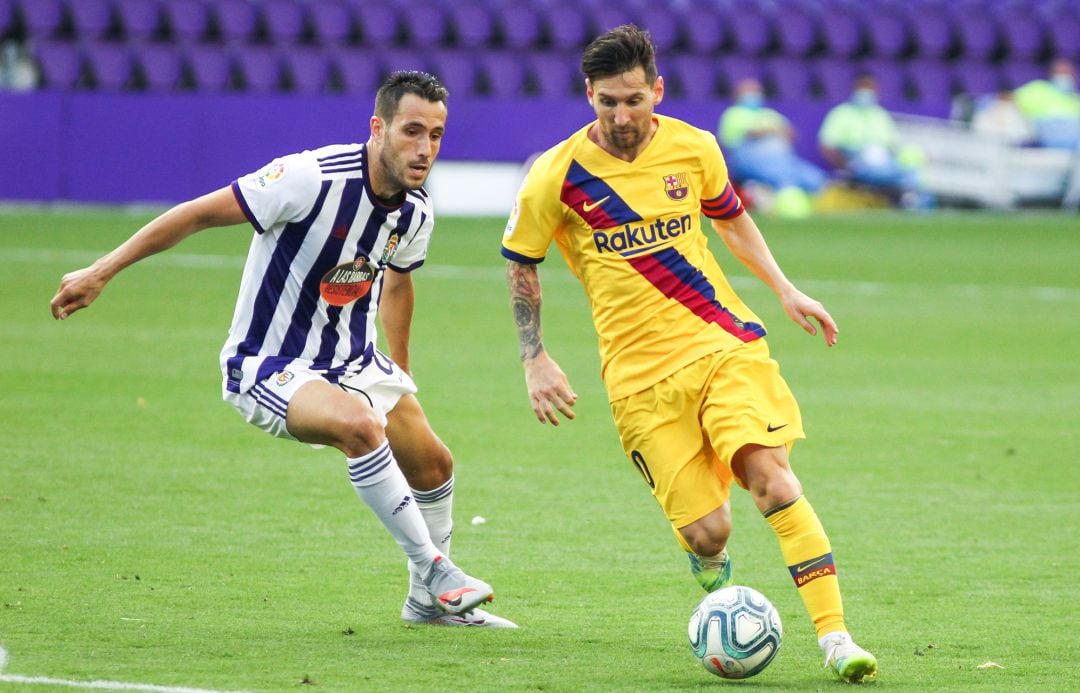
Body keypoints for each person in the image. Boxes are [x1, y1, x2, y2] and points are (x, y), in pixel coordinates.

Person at [50, 71, 515, 629]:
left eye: (436, 135)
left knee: (434, 464)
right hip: (269, 362)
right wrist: (101, 272)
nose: (425, 149)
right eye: (412, 131)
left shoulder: (416, 211)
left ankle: (424, 603)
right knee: (361, 426)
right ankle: (435, 569)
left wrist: (402, 374)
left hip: (355, 363)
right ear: (378, 128)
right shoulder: (308, 178)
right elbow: (195, 214)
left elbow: (397, 283)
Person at [502, 25, 877, 682]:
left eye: (634, 100)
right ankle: (708, 562)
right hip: (638, 378)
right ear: (588, 94)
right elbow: (521, 265)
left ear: (658, 91)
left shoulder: (693, 147)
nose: (621, 116)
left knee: (772, 478)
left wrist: (784, 288)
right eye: (607, 102)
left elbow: (729, 215)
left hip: (722, 341)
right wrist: (535, 357)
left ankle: (836, 636)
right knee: (710, 531)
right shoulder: (555, 176)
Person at [718, 77, 827, 216]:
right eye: (748, 91)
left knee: (816, 179)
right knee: (784, 179)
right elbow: (751, 133)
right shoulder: (733, 114)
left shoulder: (769, 114)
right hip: (750, 162)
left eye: (756, 91)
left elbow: (790, 133)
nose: (753, 95)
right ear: (737, 95)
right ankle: (779, 204)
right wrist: (772, 130)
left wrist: (772, 130)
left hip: (783, 159)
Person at [818, 73, 929, 208]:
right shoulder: (841, 113)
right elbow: (826, 146)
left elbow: (892, 146)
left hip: (885, 160)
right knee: (883, 171)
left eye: (870, 87)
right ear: (855, 88)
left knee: (912, 170)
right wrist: (847, 165)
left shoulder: (880, 114)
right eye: (863, 87)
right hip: (858, 161)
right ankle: (908, 201)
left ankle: (919, 206)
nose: (866, 91)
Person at [1013, 58, 1080, 150]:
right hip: (1044, 138)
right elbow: (1009, 99)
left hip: (1073, 146)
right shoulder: (1038, 89)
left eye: (1067, 73)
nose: (1064, 77)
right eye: (1060, 73)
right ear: (1051, 74)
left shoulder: (1075, 98)